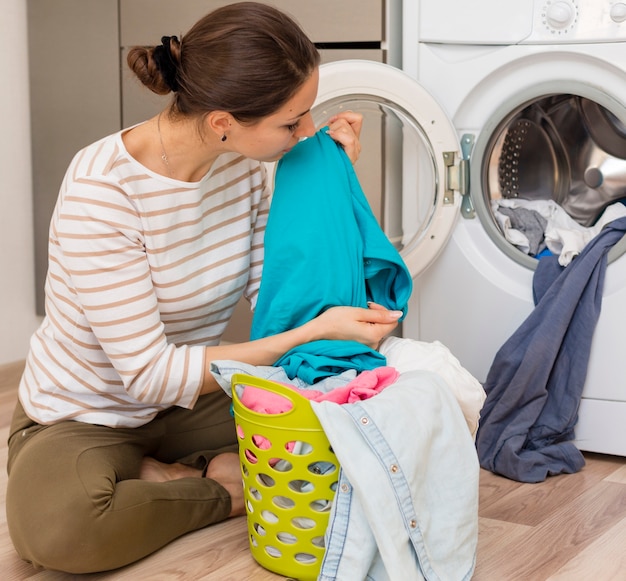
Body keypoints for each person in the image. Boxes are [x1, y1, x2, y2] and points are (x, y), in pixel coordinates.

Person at [5, 2, 403, 574]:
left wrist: (329, 180)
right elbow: (145, 376)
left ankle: (163, 474)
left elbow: (278, 295)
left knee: (357, 425)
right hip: (85, 414)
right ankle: (225, 490)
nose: (307, 131)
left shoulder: (239, 167)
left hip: (196, 403)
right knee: (62, 528)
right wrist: (313, 333)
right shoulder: (103, 191)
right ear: (222, 122)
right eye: (293, 122)